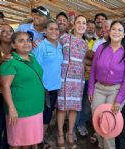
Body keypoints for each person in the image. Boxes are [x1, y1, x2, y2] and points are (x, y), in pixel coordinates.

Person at [88, 21, 125, 149]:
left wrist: (119, 100)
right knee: (97, 120)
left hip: (116, 90)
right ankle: (101, 145)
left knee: (109, 123)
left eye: (120, 30)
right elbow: (93, 71)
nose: (116, 32)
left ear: (124, 34)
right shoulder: (101, 48)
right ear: (109, 32)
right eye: (113, 29)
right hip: (99, 89)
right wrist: (91, 89)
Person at [0, 32, 45, 149]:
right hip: (20, 111)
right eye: (21, 40)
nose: (26, 43)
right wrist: (11, 108)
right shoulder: (10, 62)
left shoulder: (32, 58)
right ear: (13, 45)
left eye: (28, 40)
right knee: (17, 142)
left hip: (36, 108)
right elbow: (5, 86)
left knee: (31, 140)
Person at [57, 15, 88, 149]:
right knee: (62, 107)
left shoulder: (85, 44)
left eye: (84, 23)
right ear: (74, 25)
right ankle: (60, 134)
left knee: (74, 107)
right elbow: (54, 48)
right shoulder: (64, 38)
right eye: (79, 22)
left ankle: (70, 133)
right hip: (64, 78)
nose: (81, 25)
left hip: (78, 79)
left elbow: (84, 61)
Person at [32, 20, 63, 148]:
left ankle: (40, 140)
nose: (54, 31)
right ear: (45, 31)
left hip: (54, 87)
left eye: (56, 29)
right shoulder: (40, 46)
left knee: (48, 115)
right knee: (40, 115)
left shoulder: (60, 46)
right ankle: (36, 142)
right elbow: (35, 67)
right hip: (42, 88)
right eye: (51, 29)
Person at [75, 20, 97, 137]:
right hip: (78, 78)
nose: (90, 29)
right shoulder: (78, 39)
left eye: (92, 28)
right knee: (76, 106)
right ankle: (72, 129)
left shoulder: (97, 41)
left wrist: (87, 63)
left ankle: (81, 124)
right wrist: (87, 61)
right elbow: (78, 58)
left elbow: (97, 61)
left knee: (87, 106)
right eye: (88, 27)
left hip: (91, 80)